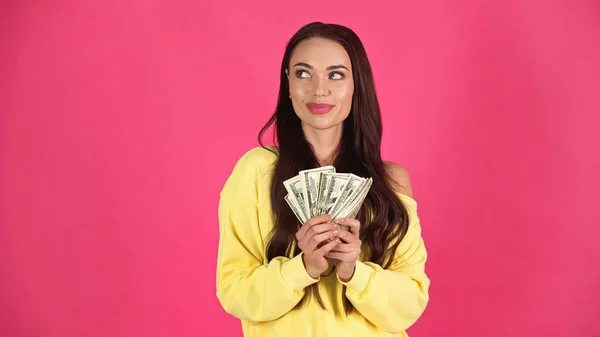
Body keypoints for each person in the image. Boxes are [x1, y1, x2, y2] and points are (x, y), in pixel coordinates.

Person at [216, 21, 430, 337]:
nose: (319, 89)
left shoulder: (391, 179)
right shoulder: (256, 170)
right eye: (303, 73)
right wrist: (303, 268)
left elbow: (409, 305)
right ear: (287, 83)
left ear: (357, 84)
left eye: (335, 74)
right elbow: (235, 292)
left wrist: (353, 271)